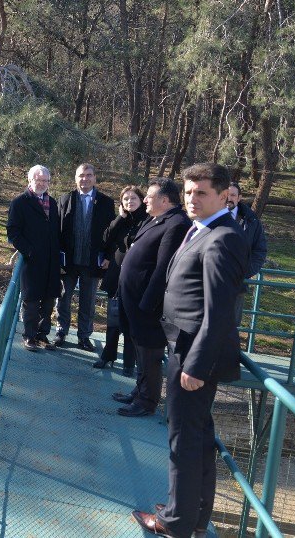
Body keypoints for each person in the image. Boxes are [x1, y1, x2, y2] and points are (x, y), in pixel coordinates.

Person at [132, 163, 248, 538]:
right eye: (187, 192)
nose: (191, 199)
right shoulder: (203, 230)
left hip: (194, 353)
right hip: (185, 345)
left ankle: (175, 522)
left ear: (222, 195)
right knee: (197, 436)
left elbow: (218, 312)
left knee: (183, 437)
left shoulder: (222, 238)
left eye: (201, 192)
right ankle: (193, 515)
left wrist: (195, 365)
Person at [112, 178, 191, 418]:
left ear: (164, 200)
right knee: (139, 349)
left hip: (148, 304)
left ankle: (147, 401)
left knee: (149, 352)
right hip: (133, 298)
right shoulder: (157, 218)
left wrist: (148, 303)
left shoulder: (176, 223)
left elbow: (163, 268)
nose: (145, 199)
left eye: (149, 196)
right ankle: (140, 390)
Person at [55, 163, 115, 351]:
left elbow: (112, 232)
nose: (85, 179)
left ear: (95, 178)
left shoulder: (106, 202)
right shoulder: (65, 199)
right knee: (63, 297)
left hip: (92, 261)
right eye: (81, 175)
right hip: (69, 260)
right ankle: (61, 331)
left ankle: (84, 336)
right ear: (76, 178)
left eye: (89, 175)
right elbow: (57, 230)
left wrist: (108, 256)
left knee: (88, 301)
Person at [93, 185, 147, 374]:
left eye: (133, 198)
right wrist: (120, 217)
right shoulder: (122, 220)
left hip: (135, 280)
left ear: (141, 200)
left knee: (131, 323)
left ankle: (128, 363)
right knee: (113, 320)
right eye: (126, 199)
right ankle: (108, 356)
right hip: (116, 277)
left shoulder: (147, 221)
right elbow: (106, 238)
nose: (129, 202)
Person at [7, 165, 61, 352]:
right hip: (31, 262)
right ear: (30, 180)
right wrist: (29, 251)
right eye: (38, 179)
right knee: (31, 300)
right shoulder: (20, 203)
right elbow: (13, 232)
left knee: (48, 300)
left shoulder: (52, 203)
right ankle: (29, 336)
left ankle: (42, 335)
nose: (42, 183)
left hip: (51, 261)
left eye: (45, 180)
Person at [227, 182, 268, 278]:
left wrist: (245, 273)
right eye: (226, 195)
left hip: (237, 283)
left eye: (233, 195)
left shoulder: (252, 221)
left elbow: (260, 250)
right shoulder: (209, 217)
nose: (228, 199)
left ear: (239, 197)